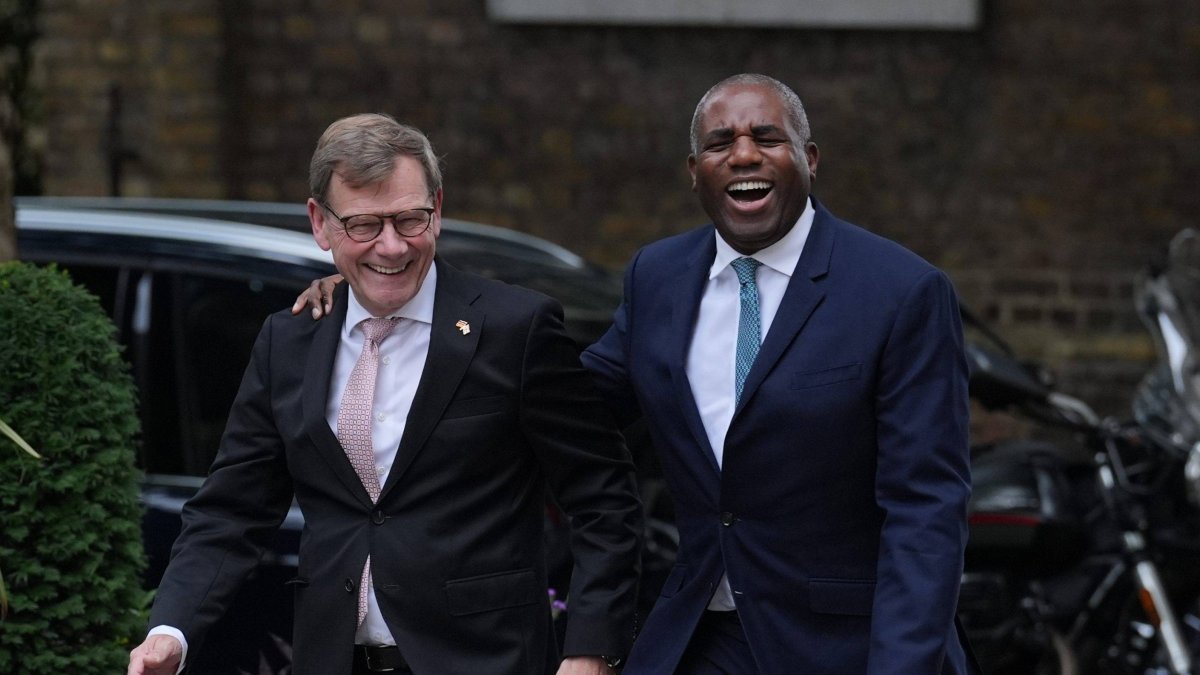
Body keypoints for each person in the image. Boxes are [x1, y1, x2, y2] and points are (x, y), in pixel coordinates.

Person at [295, 75, 976, 674]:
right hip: (698, 631)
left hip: (844, 643)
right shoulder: (660, 276)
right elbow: (566, 402)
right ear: (694, 169)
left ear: (810, 159)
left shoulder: (901, 292)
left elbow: (926, 511)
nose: (743, 153)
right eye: (720, 142)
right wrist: (375, 292)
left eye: (767, 137)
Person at [127, 114, 642, 675]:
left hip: (486, 660)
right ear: (321, 225)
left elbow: (603, 496)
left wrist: (590, 651)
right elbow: (232, 509)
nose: (392, 247)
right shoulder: (290, 339)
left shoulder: (515, 329)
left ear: (438, 209)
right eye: (365, 225)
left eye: (409, 220)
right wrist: (170, 631)